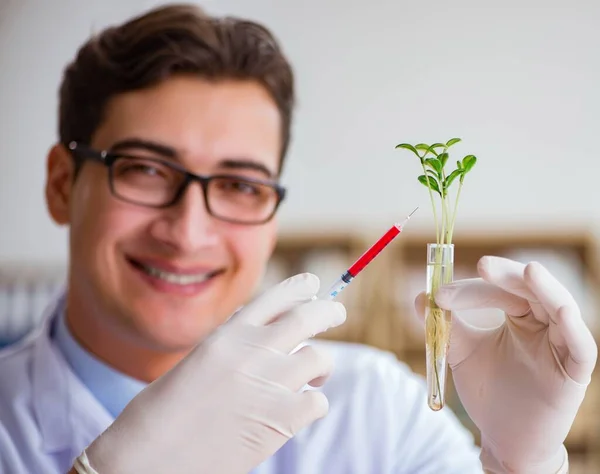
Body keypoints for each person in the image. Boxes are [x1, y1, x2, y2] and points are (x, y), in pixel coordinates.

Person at [0, 3, 596, 474]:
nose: (188, 231)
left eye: (238, 184)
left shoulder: (374, 410)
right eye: (146, 170)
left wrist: (522, 465)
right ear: (60, 184)